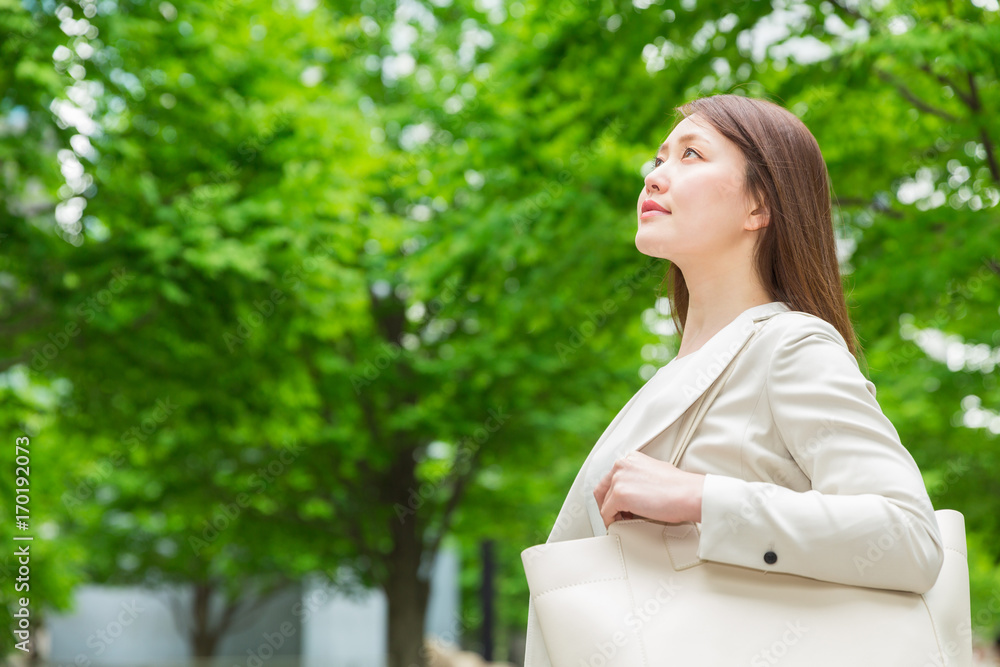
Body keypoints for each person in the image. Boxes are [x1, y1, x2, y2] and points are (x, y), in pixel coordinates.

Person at [521, 94, 945, 666]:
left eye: (691, 155)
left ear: (758, 206)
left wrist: (701, 499)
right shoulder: (683, 374)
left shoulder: (790, 347)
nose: (656, 176)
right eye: (658, 158)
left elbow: (909, 537)